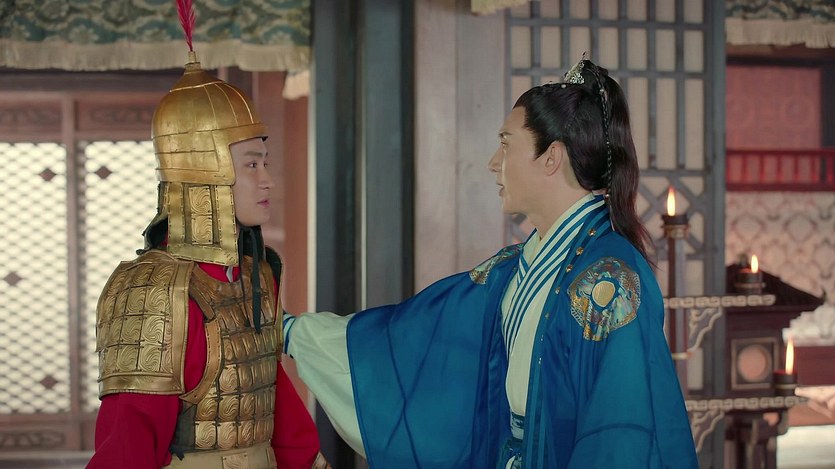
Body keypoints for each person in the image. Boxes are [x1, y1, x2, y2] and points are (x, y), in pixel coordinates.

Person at [282, 58, 698, 468]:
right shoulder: (512, 269)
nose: (493, 163)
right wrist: (290, 332)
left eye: (506, 144)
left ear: (551, 157)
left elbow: (621, 433)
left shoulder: (610, 280)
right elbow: (412, 339)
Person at [87, 44, 329, 469]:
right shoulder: (152, 291)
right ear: (205, 172)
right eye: (251, 165)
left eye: (265, 163)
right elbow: (128, 441)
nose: (268, 181)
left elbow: (277, 406)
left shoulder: (255, 276)